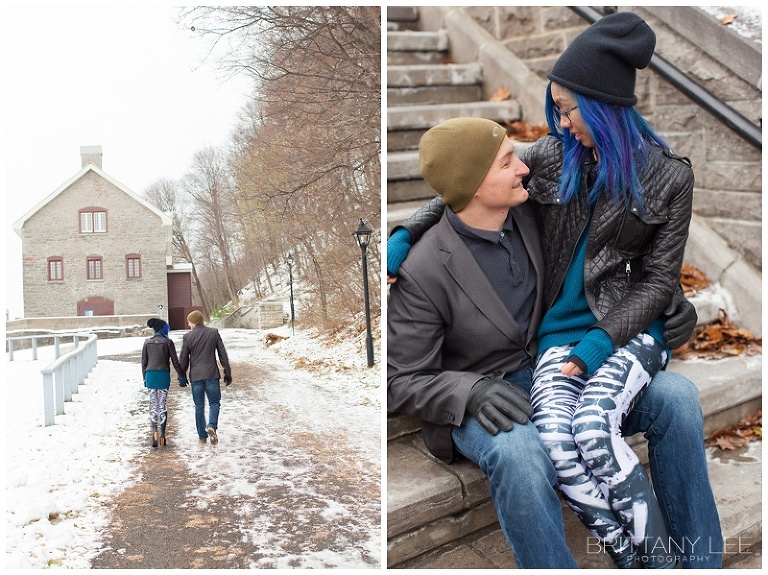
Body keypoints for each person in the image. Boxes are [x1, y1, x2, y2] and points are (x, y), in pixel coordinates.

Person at [387, 16, 722, 567]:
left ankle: (698, 560)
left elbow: (643, 271)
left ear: (599, 108)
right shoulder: (538, 173)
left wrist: (667, 309)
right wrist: (406, 233)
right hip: (496, 381)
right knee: (523, 455)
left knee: (678, 399)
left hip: (576, 350)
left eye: (566, 111)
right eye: (556, 111)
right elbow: (461, 180)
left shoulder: (550, 195)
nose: (554, 129)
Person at [179, 310, 232, 445]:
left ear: (192, 322)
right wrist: (227, 371)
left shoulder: (188, 337)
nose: (188, 324)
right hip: (211, 374)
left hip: (196, 376)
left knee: (199, 406)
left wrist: (182, 376)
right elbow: (222, 354)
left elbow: (183, 359)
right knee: (214, 403)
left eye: (189, 321)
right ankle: (211, 426)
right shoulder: (213, 333)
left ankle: (202, 437)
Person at [142, 318, 187, 448]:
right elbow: (175, 362)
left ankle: (154, 432)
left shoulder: (147, 342)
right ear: (163, 329)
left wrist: (145, 378)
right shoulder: (168, 342)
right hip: (163, 376)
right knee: (162, 405)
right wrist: (182, 376)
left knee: (153, 405)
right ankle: (162, 435)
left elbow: (144, 363)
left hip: (150, 376)